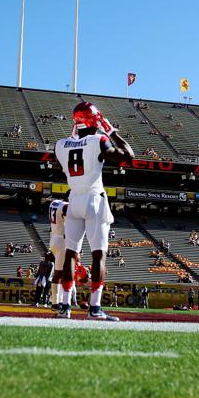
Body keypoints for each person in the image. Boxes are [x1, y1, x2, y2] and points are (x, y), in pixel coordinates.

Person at [54, 101, 134, 320]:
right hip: (94, 200)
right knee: (99, 255)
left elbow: (71, 152)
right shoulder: (99, 139)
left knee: (70, 254)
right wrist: (111, 131)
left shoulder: (60, 144)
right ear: (95, 120)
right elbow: (128, 156)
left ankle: (64, 306)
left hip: (74, 199)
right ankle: (95, 308)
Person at [48, 198, 68, 310]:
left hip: (53, 237)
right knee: (59, 273)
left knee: (61, 273)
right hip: (61, 240)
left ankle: (58, 301)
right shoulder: (66, 206)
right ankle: (55, 302)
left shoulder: (54, 202)